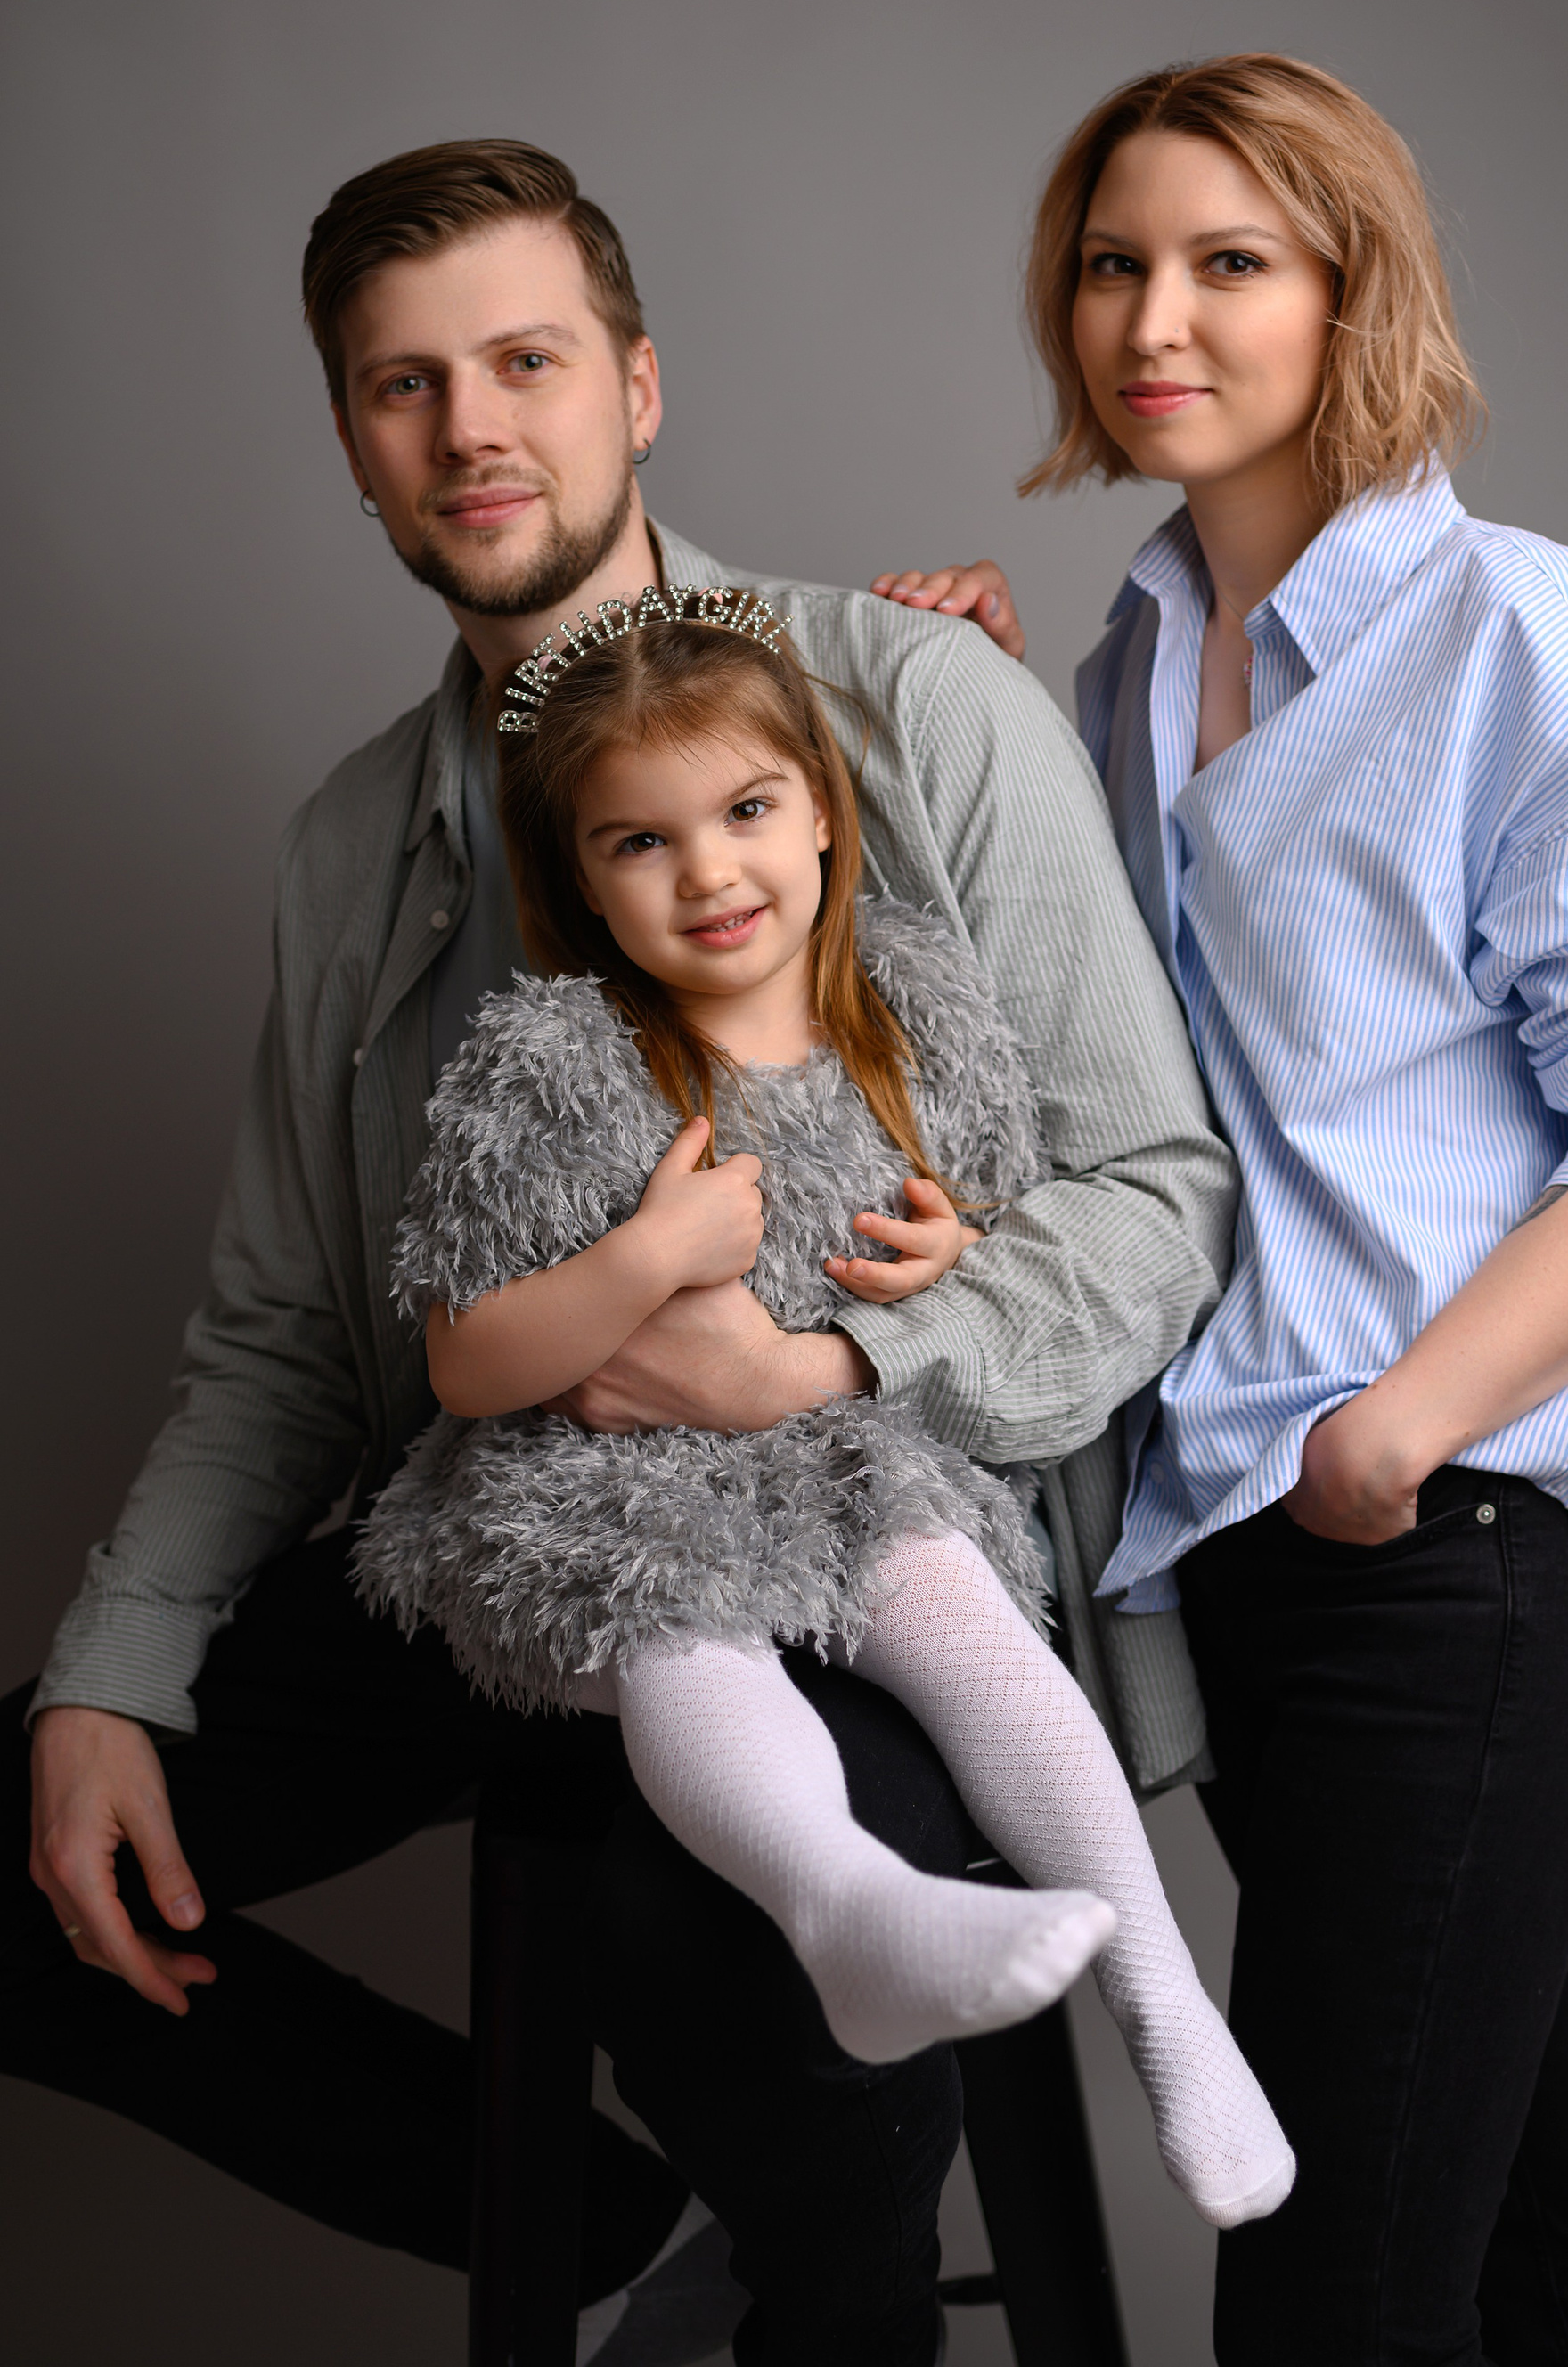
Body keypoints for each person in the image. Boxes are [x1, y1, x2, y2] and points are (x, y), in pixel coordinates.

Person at [3, 139, 1238, 2367]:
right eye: (404, 385)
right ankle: (592, 2220)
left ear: (638, 389)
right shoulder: (349, 845)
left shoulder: (912, 703)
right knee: (12, 1862)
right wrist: (117, 1667)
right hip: (497, 1533)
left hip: (866, 1516)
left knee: (788, 2009)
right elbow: (285, 1342)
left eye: (527, 362)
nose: (471, 430)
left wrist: (838, 1366)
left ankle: (808, 2282)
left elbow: (1159, 1190)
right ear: (352, 440)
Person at [874, 53, 1568, 2363]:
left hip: (1441, 1547)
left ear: (1355, 293)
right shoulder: (1134, 657)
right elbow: (1110, 1084)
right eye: (1113, 262)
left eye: (1231, 260)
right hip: (1231, 1552)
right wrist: (973, 720)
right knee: (1544, 2245)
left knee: (1332, 2296)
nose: (1155, 315)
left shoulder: (1519, 626)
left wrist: (1396, 1431)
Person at [356, 586, 1294, 2228]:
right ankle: (847, 1907)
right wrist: (645, 1257)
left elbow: (1006, 1213)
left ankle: (1166, 2008)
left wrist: (958, 1252)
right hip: (607, 1487)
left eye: (746, 812)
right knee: (687, 1637)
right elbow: (465, 1359)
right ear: (579, 876)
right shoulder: (556, 1056)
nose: (709, 873)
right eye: (641, 842)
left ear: (821, 812)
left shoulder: (908, 1010)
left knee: (967, 1614)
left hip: (831, 1456)